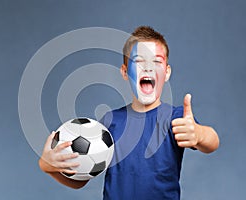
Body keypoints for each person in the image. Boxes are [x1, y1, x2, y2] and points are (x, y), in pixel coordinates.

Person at [38, 26, 220, 199]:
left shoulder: (176, 118)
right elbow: (81, 181)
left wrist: (199, 134)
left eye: (156, 61)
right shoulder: (109, 122)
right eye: (139, 61)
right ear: (125, 72)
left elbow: (212, 142)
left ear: (167, 72)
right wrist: (48, 167)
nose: (148, 67)